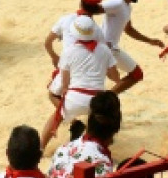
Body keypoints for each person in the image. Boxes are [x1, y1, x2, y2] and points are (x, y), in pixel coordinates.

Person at [42, 15, 121, 143]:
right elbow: (115, 77)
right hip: (97, 103)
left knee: (55, 105)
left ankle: (41, 147)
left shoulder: (68, 51)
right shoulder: (104, 50)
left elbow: (65, 84)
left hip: (74, 100)